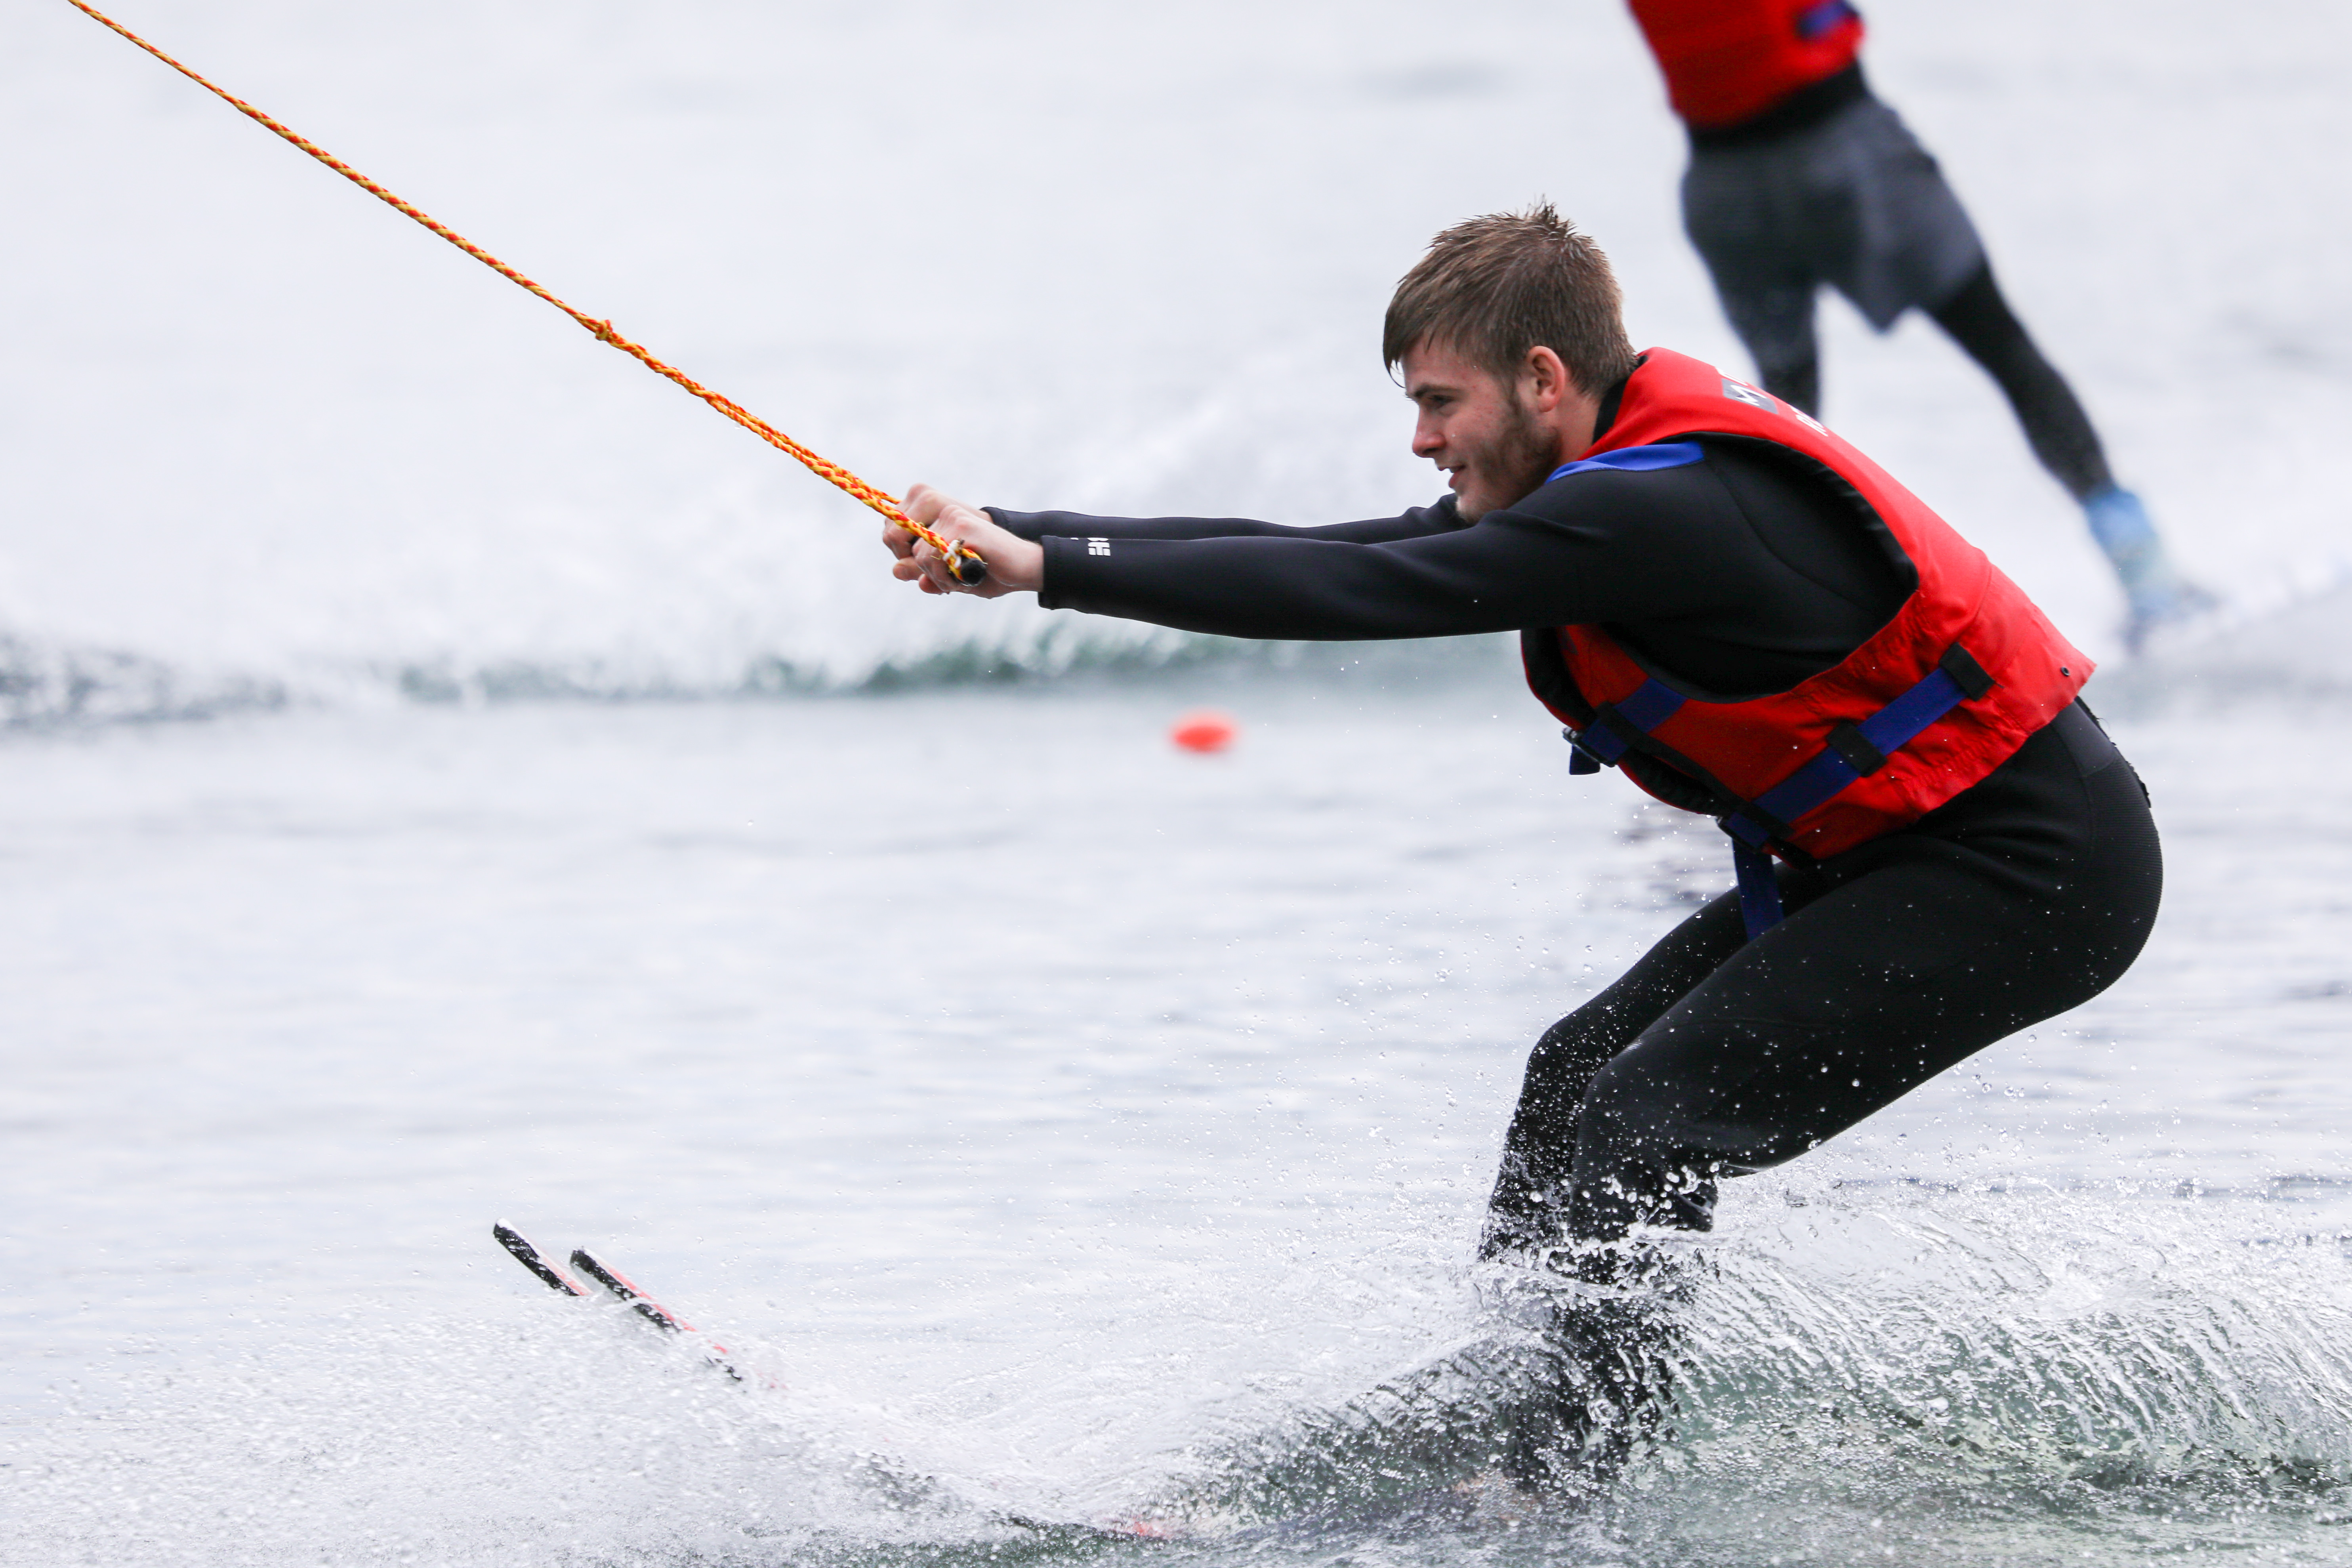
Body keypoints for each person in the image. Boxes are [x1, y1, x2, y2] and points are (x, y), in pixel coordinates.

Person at [880, 205, 2161, 1482]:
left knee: (1645, 1121)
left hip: (2035, 868)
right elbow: (1347, 545)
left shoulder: (1660, 509)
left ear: (1543, 378)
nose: (1421, 437)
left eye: (1441, 402)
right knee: (1574, 1074)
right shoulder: (1606, 483)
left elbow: (1363, 590)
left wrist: (1048, 566)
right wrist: (1024, 535)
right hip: (1908, 849)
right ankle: (1511, 1416)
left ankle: (1563, 1490)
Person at [1625, 0, 2204, 650]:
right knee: (2000, 344)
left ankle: (1783, 619)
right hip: (1846, 153)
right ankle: (2148, 578)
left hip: (1724, 190)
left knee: (1786, 406)